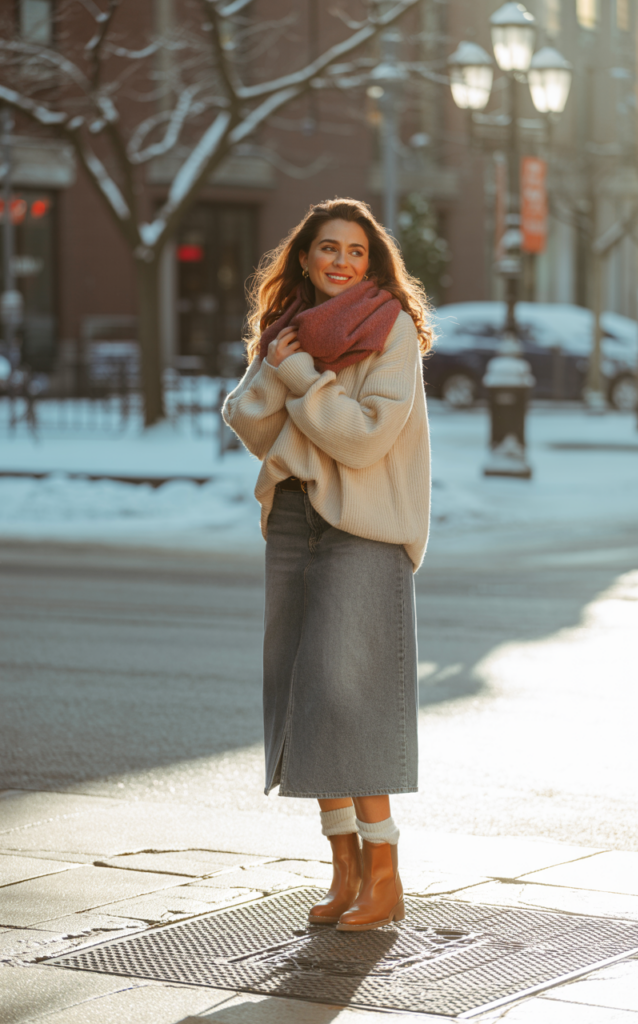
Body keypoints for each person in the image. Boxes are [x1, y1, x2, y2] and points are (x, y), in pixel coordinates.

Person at [223, 198, 432, 932]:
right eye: (328, 248)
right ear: (306, 258)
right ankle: (344, 870)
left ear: (371, 264)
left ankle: (385, 872)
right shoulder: (289, 331)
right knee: (302, 690)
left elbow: (363, 439)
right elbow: (247, 419)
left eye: (356, 251)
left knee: (350, 693)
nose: (341, 261)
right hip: (293, 516)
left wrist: (302, 379)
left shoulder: (388, 329)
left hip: (363, 527)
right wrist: (285, 369)